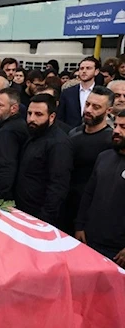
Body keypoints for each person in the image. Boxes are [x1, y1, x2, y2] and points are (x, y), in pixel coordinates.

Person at [61, 86, 114, 234]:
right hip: (65, 205)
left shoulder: (110, 141)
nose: (89, 110)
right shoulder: (73, 133)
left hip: (90, 212)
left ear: (108, 111)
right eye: (88, 104)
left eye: (96, 107)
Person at [75, 112, 125, 265]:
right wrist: (79, 226)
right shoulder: (104, 157)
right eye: (115, 125)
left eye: (123, 127)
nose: (116, 131)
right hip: (91, 241)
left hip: (118, 250)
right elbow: (89, 193)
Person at [15, 94, 72, 226]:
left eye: (38, 114)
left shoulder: (59, 144)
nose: (31, 119)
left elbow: (58, 186)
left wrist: (44, 219)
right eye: (29, 113)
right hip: (23, 210)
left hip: (40, 217)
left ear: (51, 117)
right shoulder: (33, 134)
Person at [57, 57, 100, 128]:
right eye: (81, 68)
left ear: (96, 71)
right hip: (70, 134)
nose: (84, 71)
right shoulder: (67, 93)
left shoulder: (102, 93)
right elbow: (60, 117)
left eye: (88, 68)